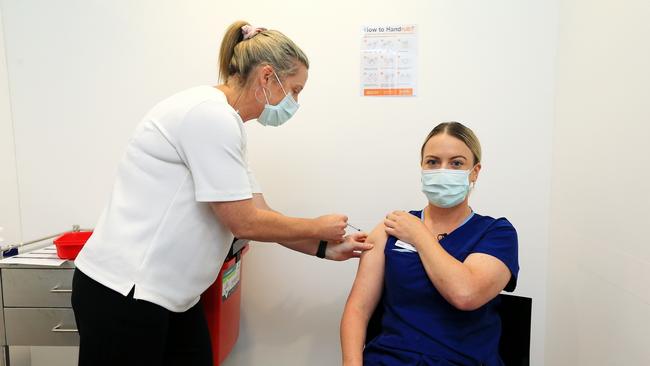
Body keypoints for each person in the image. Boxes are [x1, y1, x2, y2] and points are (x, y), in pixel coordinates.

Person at [72, 20, 371, 366]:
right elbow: (244, 222)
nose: (295, 102)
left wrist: (327, 248)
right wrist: (317, 227)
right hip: (126, 291)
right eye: (295, 89)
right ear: (266, 77)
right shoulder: (209, 116)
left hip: (173, 297)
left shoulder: (225, 124)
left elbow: (263, 215)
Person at [340, 122, 519, 366]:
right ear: (422, 168)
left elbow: (466, 294)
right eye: (433, 162)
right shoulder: (391, 227)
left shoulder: (497, 233)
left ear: (475, 171)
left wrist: (419, 234)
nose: (442, 170)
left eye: (456, 163)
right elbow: (358, 309)